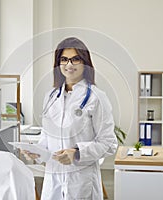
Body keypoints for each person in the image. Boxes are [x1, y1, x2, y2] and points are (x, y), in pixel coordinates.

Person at [22, 37, 118, 200]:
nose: (69, 65)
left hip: (81, 182)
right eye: (64, 59)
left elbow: (109, 143)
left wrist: (77, 153)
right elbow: (47, 138)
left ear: (85, 63)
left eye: (75, 59)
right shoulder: (51, 97)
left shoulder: (97, 98)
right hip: (54, 181)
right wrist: (36, 152)